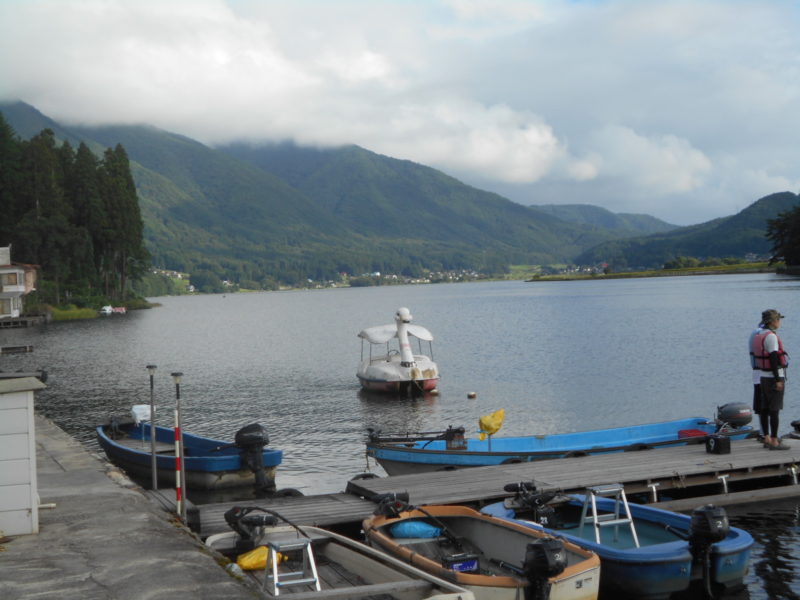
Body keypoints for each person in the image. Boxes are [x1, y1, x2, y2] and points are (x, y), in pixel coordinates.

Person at [750, 309, 789, 450]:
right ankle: (774, 440)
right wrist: (778, 379)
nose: (780, 322)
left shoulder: (758, 335)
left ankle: (766, 437)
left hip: (763, 376)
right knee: (774, 410)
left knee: (764, 408)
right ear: (772, 321)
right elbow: (773, 358)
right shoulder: (771, 337)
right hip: (773, 377)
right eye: (778, 319)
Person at [748, 319, 766, 440]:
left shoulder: (754, 334)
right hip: (764, 374)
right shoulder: (764, 335)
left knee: (760, 405)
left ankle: (763, 432)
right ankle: (766, 434)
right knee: (768, 406)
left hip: (756, 373)